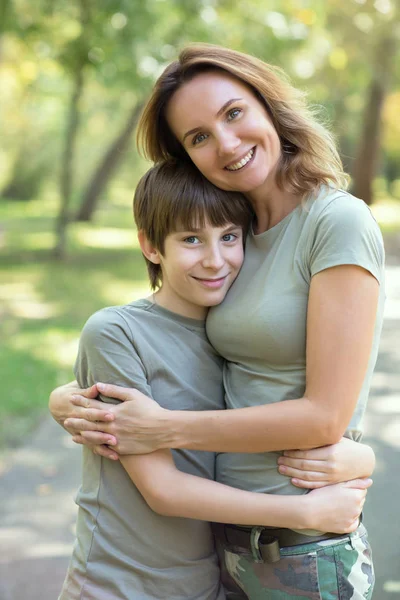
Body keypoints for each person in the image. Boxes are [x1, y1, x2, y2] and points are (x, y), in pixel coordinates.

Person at [53, 43, 385, 599]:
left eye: (233, 113)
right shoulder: (238, 232)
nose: (227, 143)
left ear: (267, 103)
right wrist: (71, 396)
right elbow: (178, 347)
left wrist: (166, 427)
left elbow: (326, 415)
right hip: (227, 548)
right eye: (199, 137)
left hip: (301, 545)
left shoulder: (337, 222)